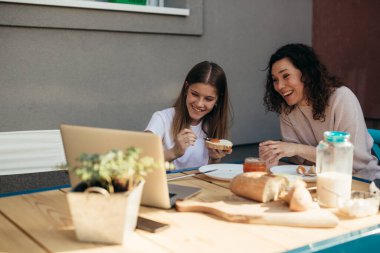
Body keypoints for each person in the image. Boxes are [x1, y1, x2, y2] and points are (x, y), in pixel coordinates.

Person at [259, 43, 379, 180]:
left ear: (307, 73)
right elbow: (297, 161)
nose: (279, 86)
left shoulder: (341, 98)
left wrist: (297, 149)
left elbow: (354, 161)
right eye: (275, 80)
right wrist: (273, 157)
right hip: (314, 182)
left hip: (360, 183)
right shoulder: (286, 108)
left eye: (286, 76)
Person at [145, 61, 232, 170]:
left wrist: (214, 159)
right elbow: (140, 160)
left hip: (200, 186)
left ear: (218, 99)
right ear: (186, 88)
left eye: (208, 99)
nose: (199, 104)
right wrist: (174, 152)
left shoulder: (212, 125)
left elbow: (209, 173)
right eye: (195, 94)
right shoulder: (162, 118)